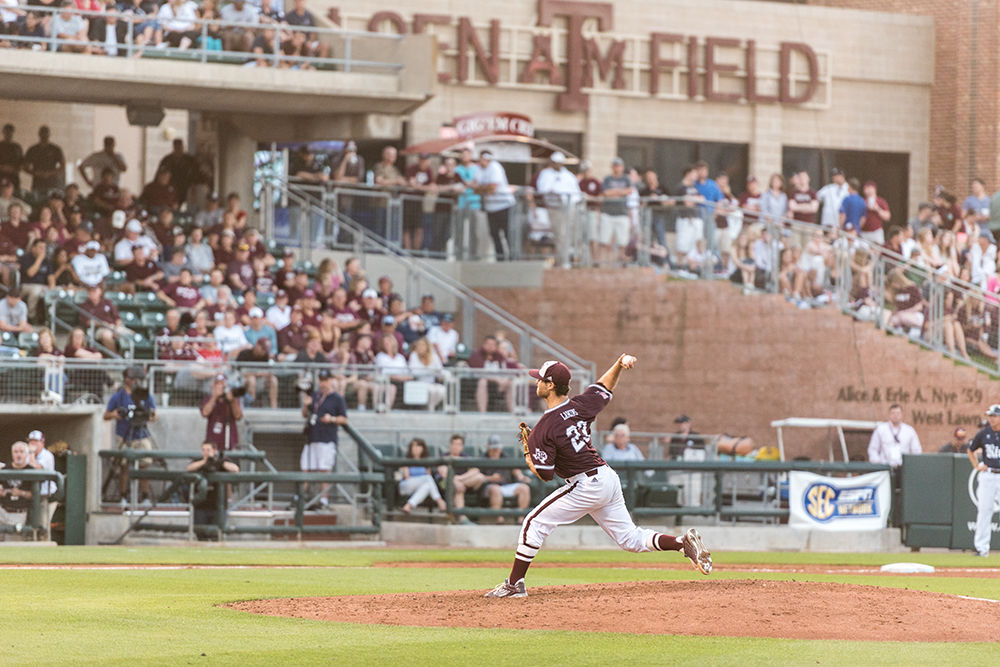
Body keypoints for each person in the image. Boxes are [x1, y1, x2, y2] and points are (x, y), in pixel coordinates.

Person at [484, 356, 712, 598]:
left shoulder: (545, 427)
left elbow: (546, 475)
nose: (536, 383)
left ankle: (514, 584)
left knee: (534, 522)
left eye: (540, 379)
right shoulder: (580, 405)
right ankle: (681, 543)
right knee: (630, 539)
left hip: (586, 484)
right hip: (607, 477)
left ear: (550, 385)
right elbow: (604, 386)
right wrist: (619, 363)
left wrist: (529, 454)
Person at [103, 367, 157, 504]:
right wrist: (115, 414)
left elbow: (154, 415)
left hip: (141, 433)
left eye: (136, 378)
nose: (134, 381)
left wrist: (146, 417)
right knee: (124, 466)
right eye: (131, 377)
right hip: (124, 435)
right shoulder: (119, 396)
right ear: (125, 378)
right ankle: (123, 496)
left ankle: (144, 496)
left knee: (144, 465)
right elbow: (106, 415)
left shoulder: (145, 395)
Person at [300, 368, 347, 508]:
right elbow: (304, 414)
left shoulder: (337, 398)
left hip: (327, 438)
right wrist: (305, 405)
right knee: (305, 468)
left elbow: (344, 419)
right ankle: (301, 496)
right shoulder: (315, 395)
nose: (323, 383)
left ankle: (324, 499)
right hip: (312, 437)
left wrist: (331, 419)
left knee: (324, 470)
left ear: (331, 381)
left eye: (325, 380)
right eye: (321, 380)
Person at [186, 442, 239, 538]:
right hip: (201, 506)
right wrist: (204, 461)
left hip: (218, 506)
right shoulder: (199, 461)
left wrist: (219, 462)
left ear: (215, 450)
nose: (205, 452)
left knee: (216, 535)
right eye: (203, 450)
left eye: (208, 450)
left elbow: (235, 469)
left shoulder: (222, 460)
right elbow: (189, 468)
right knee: (200, 534)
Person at [968, 405, 1000, 557]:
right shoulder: (984, 433)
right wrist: (976, 465)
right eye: (990, 416)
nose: (991, 418)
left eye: (994, 416)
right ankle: (982, 548)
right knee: (984, 511)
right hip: (988, 474)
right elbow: (971, 449)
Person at [475, 150, 516, 260]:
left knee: (508, 233)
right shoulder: (479, 169)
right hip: (490, 207)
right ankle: (500, 258)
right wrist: (484, 188)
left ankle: (513, 258)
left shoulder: (495, 167)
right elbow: (475, 188)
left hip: (504, 205)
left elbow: (493, 188)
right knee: (494, 234)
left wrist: (482, 188)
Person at [480, 436, 531, 522]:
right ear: (488, 448)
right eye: (493, 448)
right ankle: (499, 519)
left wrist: (521, 477)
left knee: (524, 488)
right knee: (495, 489)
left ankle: (520, 518)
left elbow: (516, 471)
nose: (495, 450)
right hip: (489, 486)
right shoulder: (483, 458)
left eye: (497, 448)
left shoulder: (505, 457)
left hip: (506, 485)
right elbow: (477, 476)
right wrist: (490, 478)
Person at [397, 438, 447, 513]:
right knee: (427, 478)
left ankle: (408, 506)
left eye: (418, 446)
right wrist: (420, 480)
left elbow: (430, 482)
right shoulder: (406, 460)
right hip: (406, 486)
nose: (415, 448)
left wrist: (420, 481)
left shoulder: (426, 462)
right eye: (413, 446)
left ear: (423, 448)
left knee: (427, 486)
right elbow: (407, 477)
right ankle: (440, 501)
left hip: (420, 487)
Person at [200, 373, 243, 452]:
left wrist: (232, 401)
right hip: (213, 442)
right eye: (217, 384)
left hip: (229, 441)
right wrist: (214, 396)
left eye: (222, 384)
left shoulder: (233, 399)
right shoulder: (208, 398)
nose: (220, 386)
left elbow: (238, 416)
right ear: (213, 386)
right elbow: (205, 413)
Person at [22, 126, 65, 200]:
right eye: (43, 134)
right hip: (37, 183)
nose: (44, 136)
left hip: (52, 183)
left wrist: (50, 173)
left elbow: (62, 166)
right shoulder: (33, 149)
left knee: (51, 203)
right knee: (37, 203)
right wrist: (36, 173)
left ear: (49, 135)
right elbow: (25, 167)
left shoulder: (55, 149)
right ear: (39, 134)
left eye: (46, 134)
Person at [0, 441, 32, 531]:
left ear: (26, 454)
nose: (18, 455)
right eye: (16, 452)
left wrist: (21, 493)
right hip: (2, 511)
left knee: (13, 542)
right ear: (12, 454)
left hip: (18, 513)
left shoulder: (31, 470)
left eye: (21, 452)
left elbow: (34, 494)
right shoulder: (5, 468)